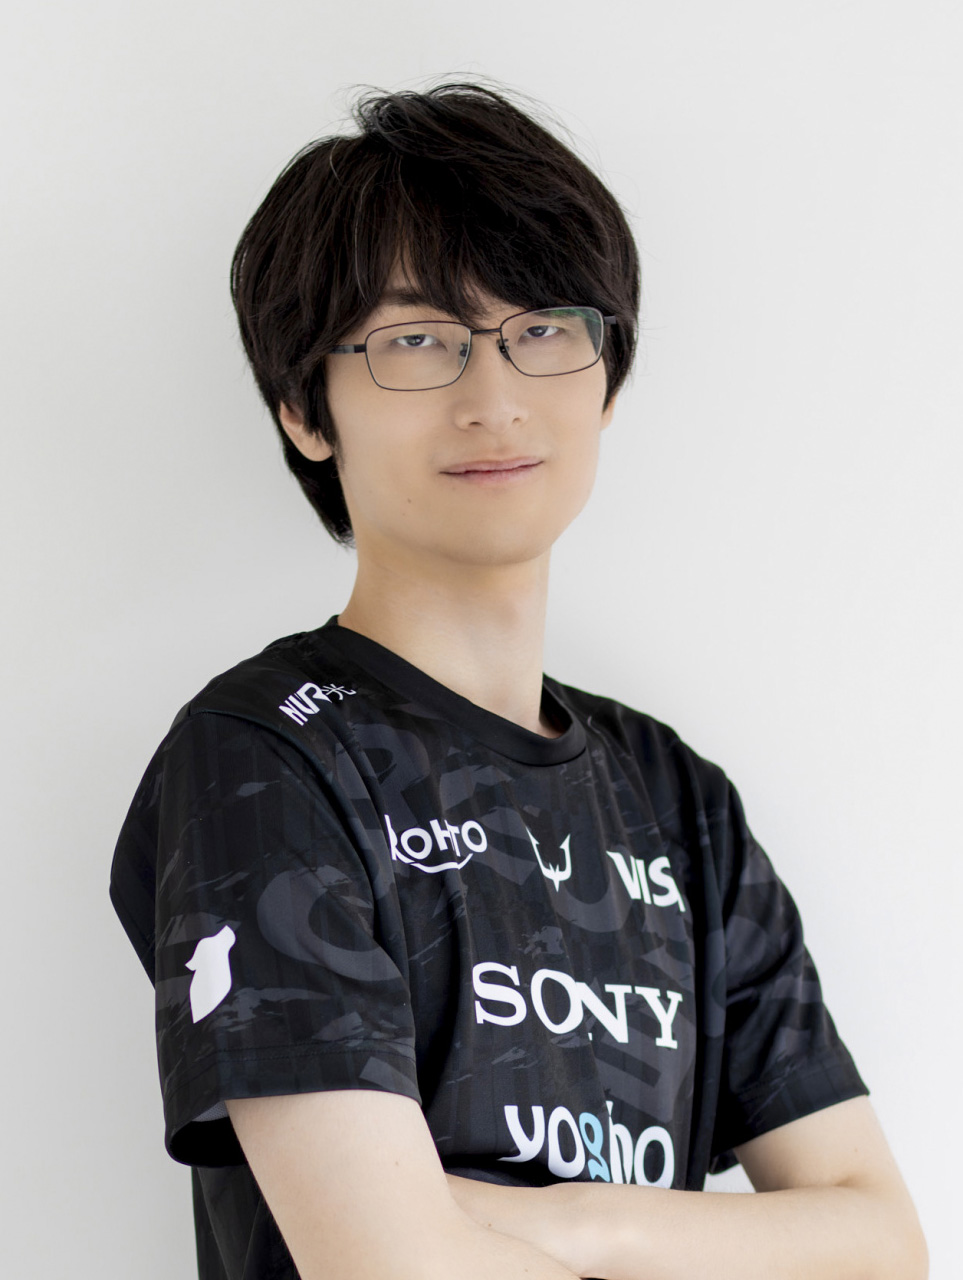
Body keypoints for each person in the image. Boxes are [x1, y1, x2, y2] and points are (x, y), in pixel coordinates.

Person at [109, 82, 927, 1280]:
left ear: (607, 374)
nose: (493, 399)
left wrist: (584, 1220)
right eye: (416, 340)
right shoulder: (263, 756)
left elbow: (880, 1240)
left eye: (542, 329)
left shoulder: (677, 797)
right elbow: (391, 1268)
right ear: (304, 409)